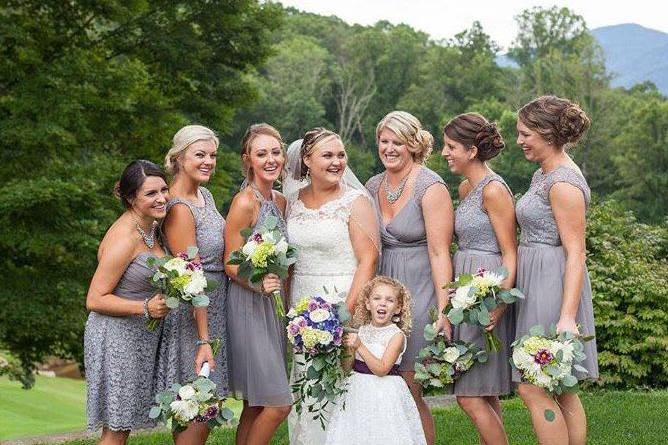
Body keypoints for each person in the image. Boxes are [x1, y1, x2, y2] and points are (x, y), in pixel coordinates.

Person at [285, 128, 379, 445]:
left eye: (340, 155)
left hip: (342, 300)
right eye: (328, 155)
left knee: (340, 389)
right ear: (307, 160)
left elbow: (367, 261)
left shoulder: (356, 202)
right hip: (300, 305)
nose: (337, 162)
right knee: (306, 386)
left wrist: (345, 316)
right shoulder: (291, 202)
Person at [514, 95, 599, 445]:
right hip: (536, 278)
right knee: (559, 386)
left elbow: (576, 253)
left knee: (533, 384)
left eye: (524, 134)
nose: (519, 141)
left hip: (552, 284)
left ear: (547, 133)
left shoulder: (563, 183)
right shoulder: (543, 173)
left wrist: (566, 316)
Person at [366, 111, 453, 445]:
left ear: (413, 145)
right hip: (383, 291)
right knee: (381, 383)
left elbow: (439, 252)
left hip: (420, 291)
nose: (389, 149)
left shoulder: (430, 187)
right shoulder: (373, 185)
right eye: (384, 141)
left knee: (409, 385)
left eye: (397, 143)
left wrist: (444, 309)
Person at [442, 113, 517, 445]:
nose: (445, 153)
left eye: (451, 147)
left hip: (484, 294)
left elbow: (510, 253)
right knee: (483, 393)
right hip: (464, 287)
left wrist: (499, 304)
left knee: (469, 395)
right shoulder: (464, 187)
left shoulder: (494, 190)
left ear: (472, 151)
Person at [84, 160, 170, 445]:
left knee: (123, 427)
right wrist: (144, 308)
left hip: (139, 337)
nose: (161, 198)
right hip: (115, 337)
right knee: (116, 431)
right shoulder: (125, 238)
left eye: (164, 189)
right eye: (151, 194)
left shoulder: (152, 226)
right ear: (131, 197)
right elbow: (95, 299)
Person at [157, 124, 228, 445]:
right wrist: (203, 340)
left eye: (212, 155)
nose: (209, 161)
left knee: (208, 409)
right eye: (200, 155)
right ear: (179, 158)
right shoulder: (178, 208)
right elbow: (192, 278)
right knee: (194, 410)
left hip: (216, 310)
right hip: (193, 319)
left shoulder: (204, 195)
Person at [225, 123, 292, 445]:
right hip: (248, 305)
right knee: (279, 403)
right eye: (261, 153)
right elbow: (229, 262)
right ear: (247, 159)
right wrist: (257, 281)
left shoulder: (279, 200)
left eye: (275, 152)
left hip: (273, 309)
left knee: (256, 405)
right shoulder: (244, 202)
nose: (270, 159)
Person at [325, 276, 426, 445]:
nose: (382, 303)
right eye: (377, 298)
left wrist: (360, 346)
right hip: (357, 391)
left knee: (383, 434)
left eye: (390, 300)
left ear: (398, 308)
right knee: (358, 432)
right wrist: (347, 348)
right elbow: (349, 367)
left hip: (385, 394)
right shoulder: (361, 331)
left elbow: (382, 369)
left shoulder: (396, 336)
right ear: (367, 304)